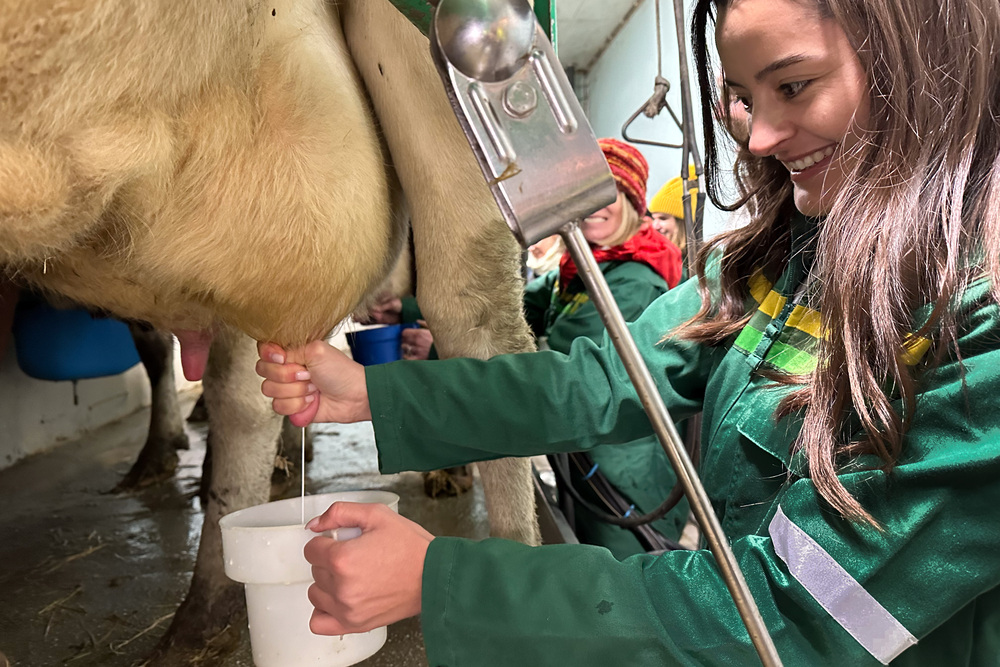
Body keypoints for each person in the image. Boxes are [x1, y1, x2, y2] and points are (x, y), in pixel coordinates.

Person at [255, 0, 1000, 662]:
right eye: (741, 98)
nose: (762, 134)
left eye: (793, 85)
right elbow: (606, 378)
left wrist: (444, 581)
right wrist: (375, 395)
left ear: (919, 57)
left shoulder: (980, 318)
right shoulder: (795, 254)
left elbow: (796, 617)